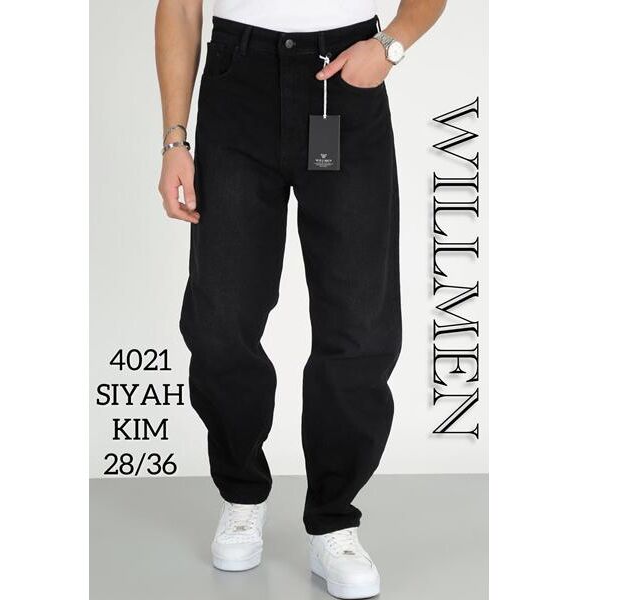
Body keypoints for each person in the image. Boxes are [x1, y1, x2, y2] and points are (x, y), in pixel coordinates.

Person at [155, 1, 446, 597]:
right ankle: (241, 494)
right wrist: (174, 140)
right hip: (238, 82)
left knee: (360, 320)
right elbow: (180, 6)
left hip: (345, 79)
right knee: (221, 316)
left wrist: (389, 46)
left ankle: (334, 521)